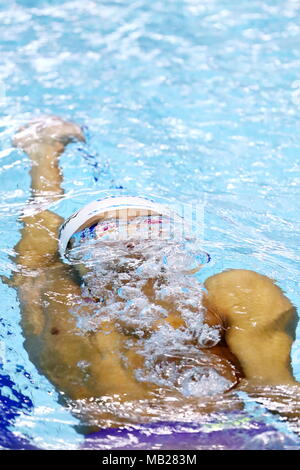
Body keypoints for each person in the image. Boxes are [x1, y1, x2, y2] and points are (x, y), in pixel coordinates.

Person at [10, 116, 299, 432]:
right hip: (121, 440)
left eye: (151, 224)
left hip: (233, 433)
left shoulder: (230, 299)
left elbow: (276, 390)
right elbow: (37, 238)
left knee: (241, 285)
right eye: (104, 229)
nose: (131, 237)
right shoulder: (63, 300)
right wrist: (44, 156)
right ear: (75, 257)